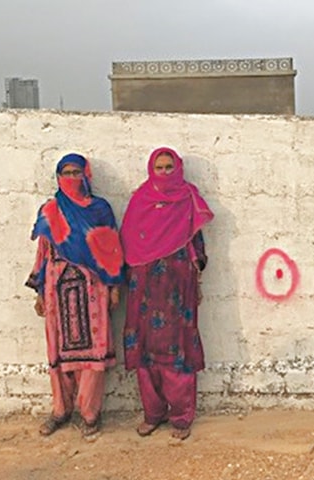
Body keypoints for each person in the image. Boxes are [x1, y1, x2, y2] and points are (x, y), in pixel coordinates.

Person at [25, 153, 125, 438]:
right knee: (58, 352)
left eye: (76, 172)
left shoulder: (99, 210)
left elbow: (112, 249)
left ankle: (90, 414)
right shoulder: (50, 209)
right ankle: (61, 410)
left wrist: (115, 287)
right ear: (57, 177)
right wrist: (39, 290)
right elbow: (43, 251)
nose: (71, 178)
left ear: (86, 175)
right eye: (65, 173)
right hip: (57, 287)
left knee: (93, 354)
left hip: (93, 288)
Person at [120, 146, 214, 440]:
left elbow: (196, 243)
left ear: (178, 169)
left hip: (177, 285)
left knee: (178, 351)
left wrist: (196, 279)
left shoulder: (187, 199)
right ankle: (153, 414)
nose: (163, 172)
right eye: (159, 167)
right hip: (144, 287)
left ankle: (181, 416)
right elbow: (128, 240)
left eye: (168, 167)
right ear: (151, 169)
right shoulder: (140, 200)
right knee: (145, 349)